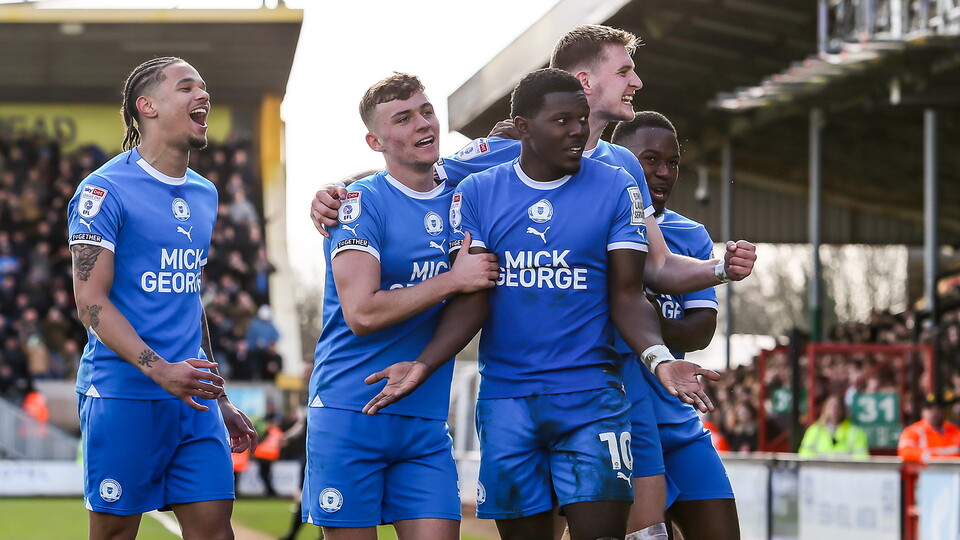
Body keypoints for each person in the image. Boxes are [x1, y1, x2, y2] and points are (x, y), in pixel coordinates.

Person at [310, 27, 757, 539]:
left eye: (425, 111)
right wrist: (342, 191)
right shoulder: (491, 172)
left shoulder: (618, 173)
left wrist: (717, 272)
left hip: (607, 382)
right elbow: (417, 171)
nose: (637, 80)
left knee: (642, 531)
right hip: (506, 396)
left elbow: (646, 274)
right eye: (624, 70)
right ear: (582, 83)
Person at [301, 73, 499, 540]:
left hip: (424, 423)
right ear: (375, 140)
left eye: (426, 111)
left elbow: (535, 132)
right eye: (403, 118)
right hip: (351, 413)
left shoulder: (465, 194)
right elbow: (362, 313)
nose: (421, 124)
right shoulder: (358, 204)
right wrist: (454, 278)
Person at [67, 56, 257, 540]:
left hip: (191, 399)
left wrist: (220, 397)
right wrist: (159, 370)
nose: (203, 96)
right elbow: (90, 302)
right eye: (186, 86)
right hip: (124, 392)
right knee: (113, 533)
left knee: (216, 532)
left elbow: (189, 297)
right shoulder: (104, 190)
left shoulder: (205, 193)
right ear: (146, 106)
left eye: (204, 87)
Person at [610, 112, 741, 539]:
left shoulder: (691, 234)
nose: (664, 173)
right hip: (615, 422)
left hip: (679, 424)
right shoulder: (594, 220)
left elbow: (701, 329)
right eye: (650, 160)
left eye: (673, 162)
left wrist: (638, 315)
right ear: (622, 161)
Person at [798, 394, 869, 459]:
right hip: (820, 471)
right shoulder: (815, 430)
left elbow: (861, 457)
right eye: (831, 406)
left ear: (842, 410)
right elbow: (805, 453)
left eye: (837, 407)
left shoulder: (854, 431)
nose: (834, 410)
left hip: (846, 471)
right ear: (825, 409)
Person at [898, 394, 960, 463]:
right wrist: (931, 457)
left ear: (944, 411)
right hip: (927, 471)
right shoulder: (914, 431)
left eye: (938, 409)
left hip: (954, 471)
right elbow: (905, 451)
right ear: (923, 412)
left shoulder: (954, 430)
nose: (935, 412)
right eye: (930, 409)